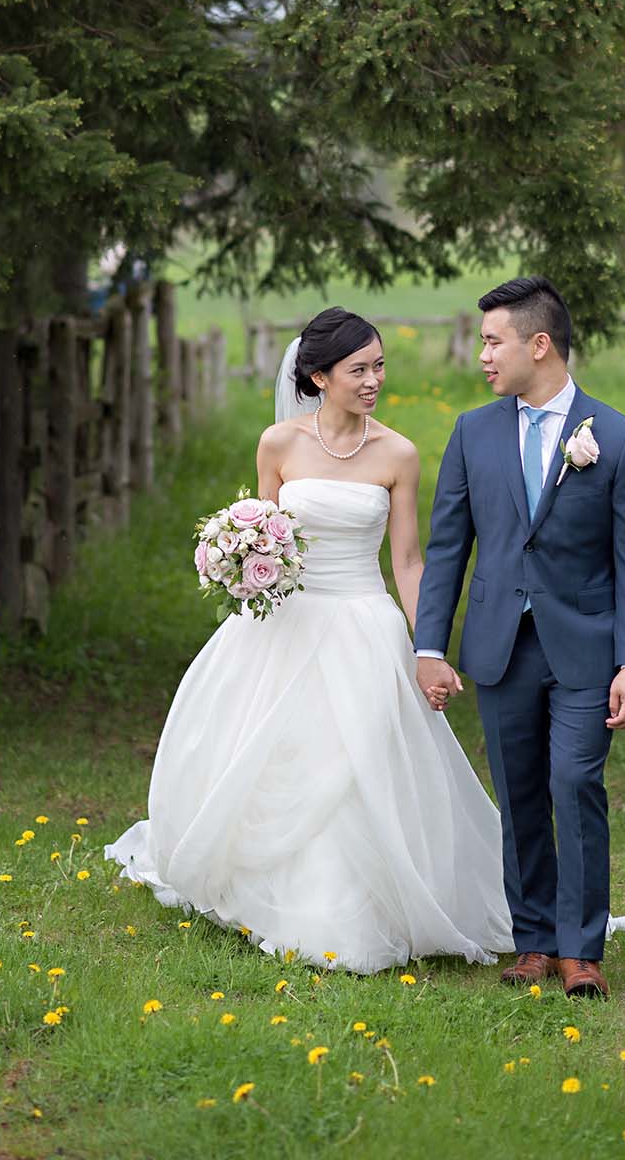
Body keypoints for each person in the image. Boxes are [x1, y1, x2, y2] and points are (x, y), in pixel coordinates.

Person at [103, 306, 514, 973]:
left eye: (380, 365)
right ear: (320, 376)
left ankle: (355, 907)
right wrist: (239, 564)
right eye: (359, 370)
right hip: (284, 625)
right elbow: (265, 527)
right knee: (279, 759)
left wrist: (428, 646)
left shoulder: (399, 453)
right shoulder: (279, 444)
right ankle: (270, 893)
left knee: (355, 767)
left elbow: (408, 561)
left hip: (362, 622)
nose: (374, 380)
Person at [414, 275, 625, 1001]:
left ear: (539, 344)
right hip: (500, 643)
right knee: (519, 793)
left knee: (574, 781)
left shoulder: (616, 440)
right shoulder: (472, 432)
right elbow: (447, 547)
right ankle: (534, 941)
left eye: (494, 341)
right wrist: (430, 644)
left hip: (587, 645)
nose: (483, 355)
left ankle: (582, 949)